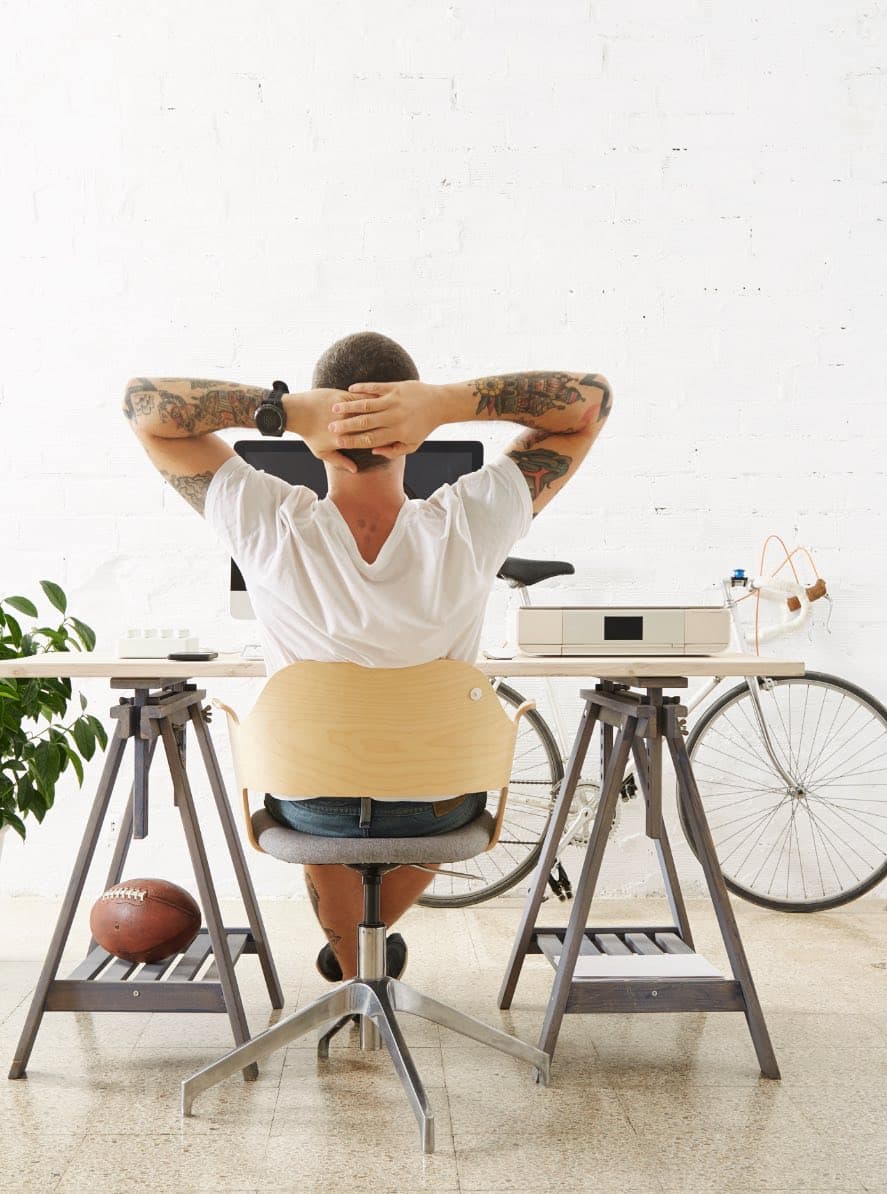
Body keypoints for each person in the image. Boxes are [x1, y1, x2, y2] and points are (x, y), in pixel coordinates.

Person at [122, 332, 611, 981]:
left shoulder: (264, 519)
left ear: (316, 428)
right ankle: (364, 959)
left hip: (311, 803)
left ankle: (356, 965)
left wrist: (285, 412)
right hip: (439, 803)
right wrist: (444, 404)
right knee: (433, 780)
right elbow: (588, 405)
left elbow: (144, 408)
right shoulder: (472, 520)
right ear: (411, 434)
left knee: (316, 779)